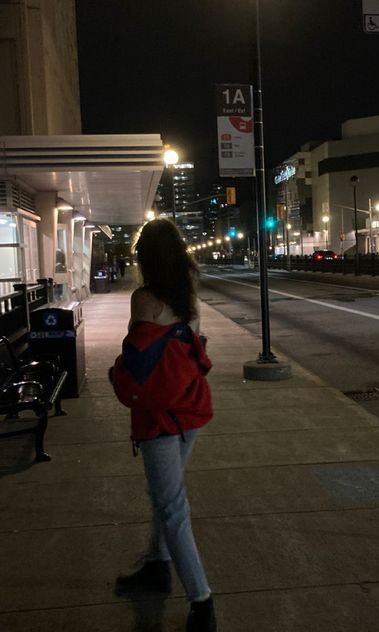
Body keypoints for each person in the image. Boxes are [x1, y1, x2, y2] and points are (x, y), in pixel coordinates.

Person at [112, 219, 217, 632]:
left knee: (172, 507)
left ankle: (202, 602)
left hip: (158, 418)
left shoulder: (144, 300)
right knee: (165, 496)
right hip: (191, 410)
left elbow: (135, 360)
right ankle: (157, 564)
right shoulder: (188, 300)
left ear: (146, 259)